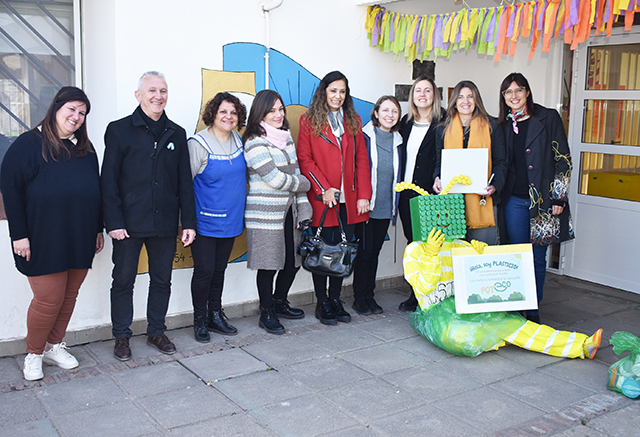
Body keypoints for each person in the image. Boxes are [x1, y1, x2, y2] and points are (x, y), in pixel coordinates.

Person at [1, 87, 103, 381]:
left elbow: (94, 191)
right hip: (42, 235)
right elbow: (10, 190)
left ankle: (53, 345)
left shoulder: (85, 149)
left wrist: (97, 228)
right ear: (56, 107)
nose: (76, 117)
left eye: (82, 113)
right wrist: (19, 235)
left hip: (80, 233)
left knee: (69, 295)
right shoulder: (27, 144)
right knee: (48, 299)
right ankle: (33, 353)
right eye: (72, 109)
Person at [102, 71, 196, 360]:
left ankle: (156, 330)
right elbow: (108, 181)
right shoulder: (118, 130)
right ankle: (121, 336)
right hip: (128, 225)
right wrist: (114, 222)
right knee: (123, 281)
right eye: (152, 90)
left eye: (163, 91)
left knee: (161, 280)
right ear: (138, 95)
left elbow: (184, 182)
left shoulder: (176, 133)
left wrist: (188, 222)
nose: (158, 96)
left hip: (164, 224)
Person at [497, 73, 575, 323]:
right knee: (517, 256)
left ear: (527, 92)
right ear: (504, 97)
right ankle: (516, 303)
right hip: (514, 201)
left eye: (519, 90)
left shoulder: (547, 117)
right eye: (508, 92)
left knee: (537, 257)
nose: (514, 95)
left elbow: (563, 159)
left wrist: (559, 198)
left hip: (543, 202)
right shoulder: (502, 124)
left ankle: (532, 310)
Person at [297, 71, 372, 325]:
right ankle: (322, 303)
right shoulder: (309, 121)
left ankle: (336, 300)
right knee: (322, 251)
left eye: (342, 91)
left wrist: (364, 195)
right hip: (324, 199)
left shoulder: (353, 120)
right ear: (324, 92)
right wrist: (324, 189)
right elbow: (305, 161)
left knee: (341, 251)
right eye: (333, 91)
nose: (338, 96)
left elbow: (362, 160)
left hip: (348, 201)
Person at [242, 90, 312, 335]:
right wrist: (304, 183)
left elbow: (294, 172)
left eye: (280, 109)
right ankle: (266, 311)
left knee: (292, 263)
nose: (278, 114)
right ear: (260, 113)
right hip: (265, 215)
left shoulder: (286, 138)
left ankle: (280, 301)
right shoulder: (253, 141)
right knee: (268, 265)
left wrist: (303, 208)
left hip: (289, 213)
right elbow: (276, 178)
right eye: (272, 110)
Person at [189, 92, 247, 342]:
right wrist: (186, 222)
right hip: (205, 221)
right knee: (204, 272)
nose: (228, 117)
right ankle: (199, 320)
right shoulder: (198, 144)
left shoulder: (238, 140)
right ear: (212, 114)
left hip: (231, 219)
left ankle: (215, 314)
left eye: (233, 112)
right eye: (223, 111)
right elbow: (185, 185)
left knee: (219, 270)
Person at [433, 80, 507, 245]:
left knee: (481, 254)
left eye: (470, 97)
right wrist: (437, 178)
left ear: (477, 100)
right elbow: (439, 163)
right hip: (452, 202)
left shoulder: (492, 126)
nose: (465, 101)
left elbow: (501, 161)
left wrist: (494, 185)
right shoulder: (442, 129)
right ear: (454, 102)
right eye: (460, 97)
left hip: (482, 200)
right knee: (452, 256)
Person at [397, 76, 445, 312]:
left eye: (428, 90)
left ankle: (429, 293)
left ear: (434, 95)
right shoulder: (404, 124)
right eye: (418, 91)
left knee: (430, 245)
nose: (423, 94)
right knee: (412, 244)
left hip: (430, 196)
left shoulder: (443, 123)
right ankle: (415, 291)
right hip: (406, 194)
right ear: (412, 96)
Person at [352, 96, 403, 315]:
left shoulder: (399, 141)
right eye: (385, 110)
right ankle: (359, 298)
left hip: (386, 206)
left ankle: (369, 296)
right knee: (364, 252)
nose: (389, 115)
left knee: (374, 253)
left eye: (394, 111)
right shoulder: (364, 136)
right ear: (376, 113)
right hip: (367, 205)